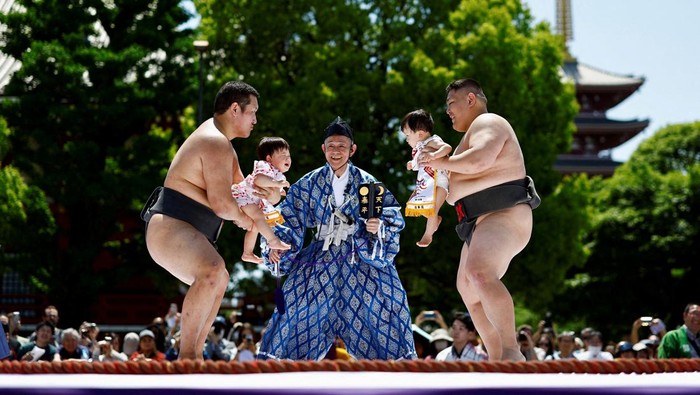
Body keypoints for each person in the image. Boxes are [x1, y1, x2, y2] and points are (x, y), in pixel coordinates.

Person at [257, 116, 416, 361]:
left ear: (352, 149)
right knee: (295, 309)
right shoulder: (307, 184)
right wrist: (276, 244)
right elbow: (286, 217)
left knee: (385, 305)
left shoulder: (368, 183)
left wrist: (378, 226)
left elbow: (392, 216)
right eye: (331, 145)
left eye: (342, 146)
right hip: (320, 260)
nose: (336, 151)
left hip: (360, 259)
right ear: (323, 149)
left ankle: (392, 378)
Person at [141, 81, 257, 359]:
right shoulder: (214, 141)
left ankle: (194, 355)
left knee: (219, 277)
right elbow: (223, 204)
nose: (255, 119)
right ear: (234, 109)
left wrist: (273, 188)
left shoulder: (223, 146)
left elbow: (246, 193)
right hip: (171, 226)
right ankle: (187, 357)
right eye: (252, 111)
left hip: (184, 228)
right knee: (213, 269)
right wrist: (244, 220)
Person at [427, 79, 540, 361]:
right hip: (476, 223)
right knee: (467, 287)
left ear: (471, 99)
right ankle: (497, 353)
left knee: (480, 273)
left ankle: (512, 350)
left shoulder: (490, 122)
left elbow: (480, 161)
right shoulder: (463, 143)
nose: (448, 111)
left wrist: (442, 163)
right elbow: (452, 190)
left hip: (503, 211)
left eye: (451, 103)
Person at [232, 137, 293, 263]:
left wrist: (278, 189)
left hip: (253, 200)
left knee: (255, 226)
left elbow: (272, 190)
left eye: (288, 155)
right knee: (259, 217)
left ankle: (247, 253)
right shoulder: (264, 165)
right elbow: (258, 180)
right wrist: (276, 184)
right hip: (244, 195)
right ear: (269, 158)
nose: (287, 158)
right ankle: (273, 241)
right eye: (283, 154)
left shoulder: (278, 175)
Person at [401, 109, 452, 247]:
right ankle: (435, 220)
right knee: (418, 207)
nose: (406, 139)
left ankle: (428, 234)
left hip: (440, 182)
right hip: (425, 184)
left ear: (420, 134)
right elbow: (421, 164)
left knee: (432, 210)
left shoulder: (432, 141)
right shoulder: (418, 149)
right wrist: (413, 164)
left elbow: (447, 148)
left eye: (407, 135)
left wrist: (434, 155)